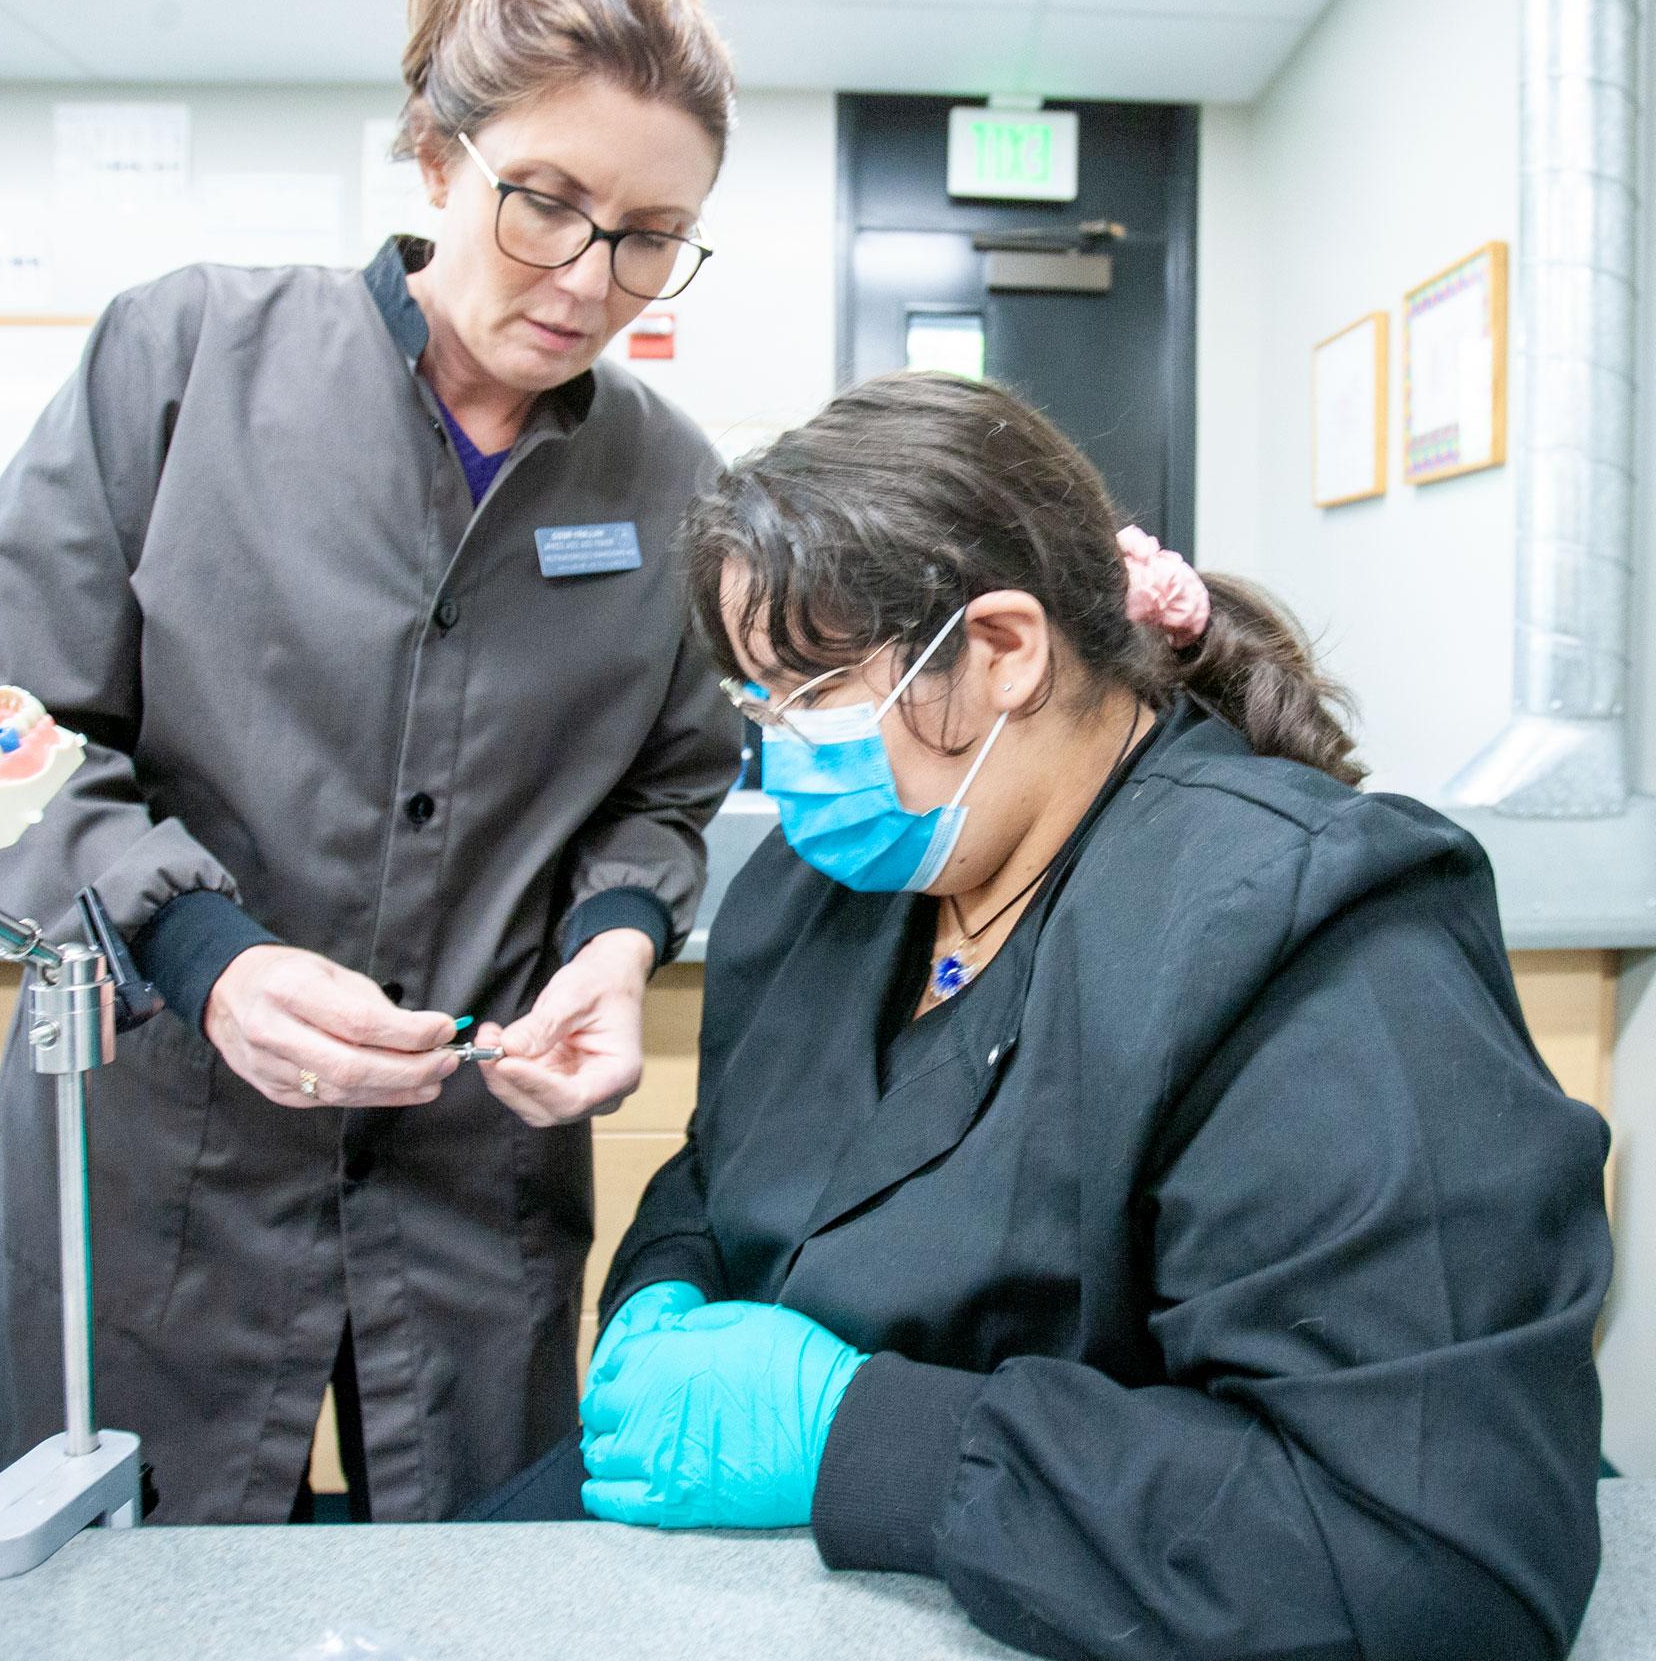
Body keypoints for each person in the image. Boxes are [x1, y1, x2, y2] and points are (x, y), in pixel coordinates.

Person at [497, 373, 1612, 1661]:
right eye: (759, 706)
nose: (785, 751)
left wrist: (857, 1436)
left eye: (813, 693)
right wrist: (665, 1294)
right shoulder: (832, 888)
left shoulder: (1314, 937)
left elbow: (1424, 1560)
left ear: (1005, 650)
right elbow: (727, 1166)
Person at [0, 0, 743, 1524]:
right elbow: (1, 725)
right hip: (164, 1142)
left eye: (651, 238)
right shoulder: (182, 363)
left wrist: (618, 939)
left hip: (468, 1170)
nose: (588, 279)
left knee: (471, 1587)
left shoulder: (666, 481)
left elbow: (671, 786)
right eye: (545, 201)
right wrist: (200, 951)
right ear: (439, 155)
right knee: (133, 1597)